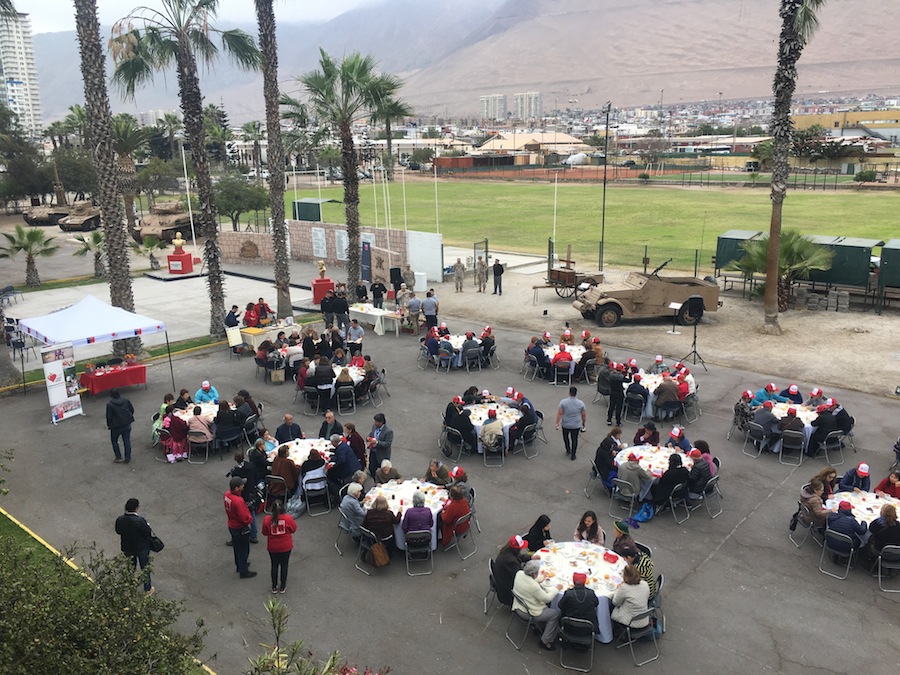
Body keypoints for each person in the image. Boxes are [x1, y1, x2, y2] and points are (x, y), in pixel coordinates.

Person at [512, 560, 560, 651]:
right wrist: (557, 589)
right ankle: (545, 641)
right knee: (555, 614)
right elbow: (547, 598)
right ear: (534, 574)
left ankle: (540, 627)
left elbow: (528, 582)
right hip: (528, 612)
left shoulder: (519, 573)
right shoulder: (534, 586)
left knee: (548, 608)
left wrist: (541, 578)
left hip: (518, 605)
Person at [115, 498, 155, 595]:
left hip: (128, 548)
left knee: (130, 567)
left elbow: (118, 531)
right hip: (142, 548)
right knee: (145, 568)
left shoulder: (120, 520)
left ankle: (129, 587)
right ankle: (147, 589)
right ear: (136, 508)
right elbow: (147, 533)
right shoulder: (140, 521)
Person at [224, 477, 257, 578]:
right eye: (241, 485)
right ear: (237, 488)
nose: (243, 486)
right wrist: (250, 519)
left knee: (236, 548)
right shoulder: (238, 501)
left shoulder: (227, 495)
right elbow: (244, 518)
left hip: (232, 525)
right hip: (240, 528)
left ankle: (239, 565)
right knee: (244, 549)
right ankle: (244, 571)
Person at [610, 564, 651, 633]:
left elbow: (615, 603)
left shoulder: (624, 588)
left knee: (610, 606)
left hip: (630, 622)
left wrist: (618, 589)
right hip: (644, 619)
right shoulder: (645, 584)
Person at [494, 535, 528, 604]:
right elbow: (519, 576)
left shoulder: (506, 551)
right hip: (508, 590)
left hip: (503, 580)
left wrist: (532, 557)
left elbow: (520, 557)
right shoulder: (510, 561)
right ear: (516, 549)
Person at [557, 386, 587, 461]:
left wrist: (557, 423)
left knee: (565, 437)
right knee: (574, 439)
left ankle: (568, 449)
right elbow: (583, 415)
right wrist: (583, 423)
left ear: (569, 393)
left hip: (565, 424)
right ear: (576, 393)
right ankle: (573, 454)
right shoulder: (580, 403)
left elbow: (560, 413)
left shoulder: (563, 402)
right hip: (576, 425)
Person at [327, 434, 361, 499]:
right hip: (354, 466)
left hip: (349, 470)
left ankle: (339, 490)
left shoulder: (341, 448)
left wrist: (334, 466)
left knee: (330, 474)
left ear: (334, 442)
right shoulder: (343, 445)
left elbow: (342, 460)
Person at [106, 388, 135, 464]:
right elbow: (132, 409)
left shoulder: (110, 405)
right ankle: (127, 457)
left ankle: (118, 457)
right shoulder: (126, 400)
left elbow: (109, 417)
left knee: (114, 440)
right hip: (127, 423)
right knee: (126, 440)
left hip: (116, 426)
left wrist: (110, 425)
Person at [367, 413, 393, 480]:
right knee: (371, 468)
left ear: (381, 422)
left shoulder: (388, 431)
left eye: (376, 422)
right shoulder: (374, 426)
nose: (375, 423)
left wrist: (377, 442)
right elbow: (372, 433)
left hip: (382, 454)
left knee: (384, 470)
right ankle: (375, 480)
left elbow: (387, 443)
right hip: (373, 452)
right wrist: (369, 437)